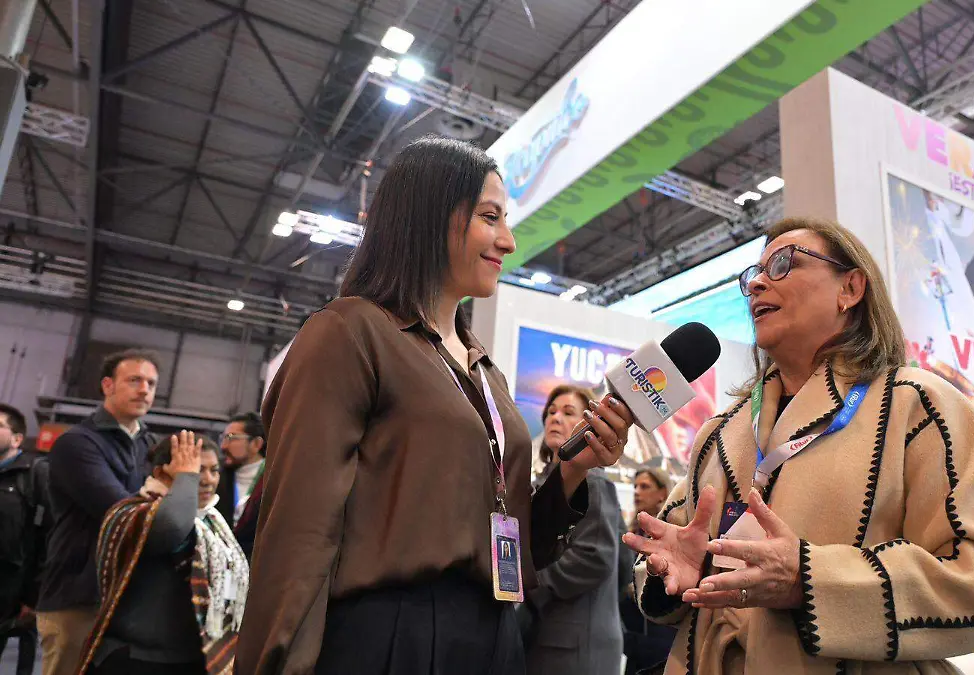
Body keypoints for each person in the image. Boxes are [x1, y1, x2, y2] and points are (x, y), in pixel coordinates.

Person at [237, 136, 635, 675]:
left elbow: (514, 535)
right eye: (489, 217)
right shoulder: (350, 330)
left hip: (496, 634)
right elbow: (299, 531)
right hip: (393, 636)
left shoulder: (483, 369)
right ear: (429, 216)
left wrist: (572, 471)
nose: (509, 241)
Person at [623, 216, 974, 675]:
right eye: (754, 275)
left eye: (783, 264)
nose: (758, 285)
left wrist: (810, 581)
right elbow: (665, 556)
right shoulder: (720, 431)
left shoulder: (917, 405)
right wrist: (676, 576)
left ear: (850, 288)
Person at [77, 430, 249, 675]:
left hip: (192, 659)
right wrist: (186, 478)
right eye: (197, 470)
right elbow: (174, 527)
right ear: (160, 473)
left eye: (214, 470)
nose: (207, 480)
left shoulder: (212, 523)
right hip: (135, 661)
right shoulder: (136, 513)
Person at [39, 349, 159, 675]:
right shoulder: (77, 443)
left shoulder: (149, 445)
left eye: (151, 383)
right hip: (78, 595)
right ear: (107, 385)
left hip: (129, 597)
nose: (144, 390)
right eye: (134, 380)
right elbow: (119, 511)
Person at [524, 384, 624, 675]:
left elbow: (594, 557)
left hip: (577, 645)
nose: (555, 418)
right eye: (551, 412)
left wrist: (527, 584)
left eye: (568, 413)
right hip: (545, 637)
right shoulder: (540, 483)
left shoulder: (593, 481)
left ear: (589, 425)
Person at [0, 404, 47, 675]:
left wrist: (33, 597)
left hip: (9, 592)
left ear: (17, 439)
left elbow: (48, 538)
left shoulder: (35, 475)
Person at [620, 468, 676, 675]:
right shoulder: (632, 532)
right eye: (635, 486)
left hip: (659, 638)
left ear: (662, 493)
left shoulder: (672, 532)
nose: (637, 492)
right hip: (633, 637)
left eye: (644, 486)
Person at [217, 412, 266, 556]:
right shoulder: (216, 476)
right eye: (223, 438)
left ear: (256, 444)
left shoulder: (274, 480)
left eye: (231, 438)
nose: (223, 446)